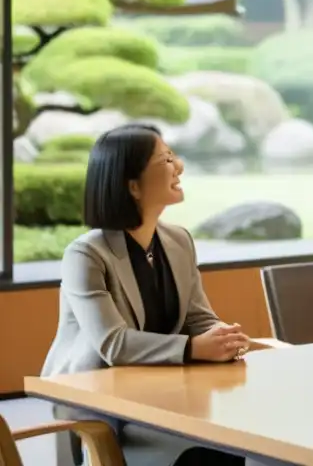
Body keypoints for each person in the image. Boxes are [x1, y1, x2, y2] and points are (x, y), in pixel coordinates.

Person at [42, 124, 251, 466]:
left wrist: (224, 338)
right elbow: (113, 344)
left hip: (163, 391)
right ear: (133, 186)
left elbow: (198, 318)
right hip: (101, 404)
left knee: (239, 446)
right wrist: (194, 348)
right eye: (166, 158)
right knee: (214, 452)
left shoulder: (179, 240)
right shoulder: (85, 254)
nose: (179, 166)